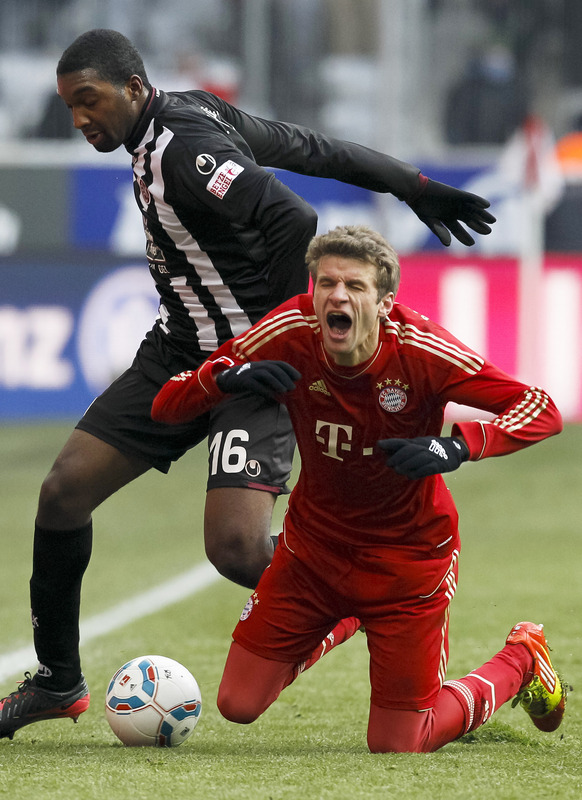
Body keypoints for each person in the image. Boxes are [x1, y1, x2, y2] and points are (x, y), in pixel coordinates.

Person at [0, 29, 495, 743]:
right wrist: (412, 183)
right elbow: (313, 148)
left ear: (132, 87)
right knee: (62, 494)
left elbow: (291, 219)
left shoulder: (185, 146)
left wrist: (272, 342)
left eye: (88, 101)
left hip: (254, 371)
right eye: (70, 106)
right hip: (179, 353)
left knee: (238, 552)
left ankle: (355, 601)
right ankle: (58, 682)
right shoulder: (190, 117)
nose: (80, 118)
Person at [151, 224, 566, 753]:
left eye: (355, 286)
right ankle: (350, 613)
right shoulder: (288, 330)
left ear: (385, 302)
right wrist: (225, 379)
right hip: (312, 554)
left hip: (407, 564)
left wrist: (458, 447)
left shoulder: (424, 351)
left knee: (399, 743)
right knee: (237, 703)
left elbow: (541, 408)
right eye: (326, 283)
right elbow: (167, 405)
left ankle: (522, 658)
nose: (336, 296)